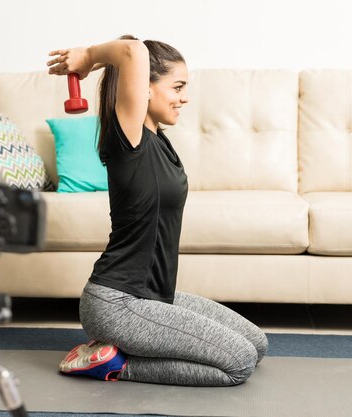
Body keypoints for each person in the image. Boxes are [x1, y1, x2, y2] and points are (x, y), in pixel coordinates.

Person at [46, 35, 268, 386]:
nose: (185, 97)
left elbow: (133, 53)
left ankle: (127, 347)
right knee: (238, 363)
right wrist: (90, 57)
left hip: (153, 296)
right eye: (177, 86)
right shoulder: (126, 141)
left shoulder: (158, 141)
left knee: (257, 344)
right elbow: (133, 50)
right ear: (143, 88)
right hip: (115, 303)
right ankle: (113, 364)